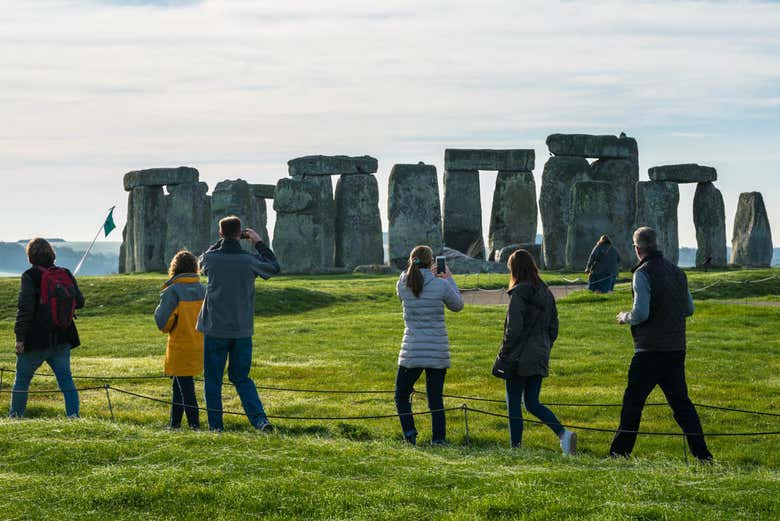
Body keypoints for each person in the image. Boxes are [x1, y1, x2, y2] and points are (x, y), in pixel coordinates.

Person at [612, 227, 713, 462]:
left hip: (649, 350)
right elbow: (689, 309)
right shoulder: (678, 273)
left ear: (638, 248)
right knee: (682, 406)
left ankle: (619, 454)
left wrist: (624, 317)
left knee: (633, 404)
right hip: (676, 348)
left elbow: (641, 313)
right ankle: (703, 454)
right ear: (657, 245)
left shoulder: (642, 273)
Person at [197, 216, 280, 432]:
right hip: (242, 329)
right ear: (240, 234)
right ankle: (260, 420)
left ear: (221, 234)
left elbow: (200, 261)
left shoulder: (212, 259)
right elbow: (273, 267)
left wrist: (220, 241)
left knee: (213, 380)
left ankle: (216, 426)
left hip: (215, 328)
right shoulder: (249, 260)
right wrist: (258, 242)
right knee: (241, 378)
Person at [497, 249, 577, 454]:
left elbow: (513, 329)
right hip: (540, 352)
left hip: (519, 355)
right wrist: (545, 346)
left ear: (514, 269)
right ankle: (563, 434)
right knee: (532, 402)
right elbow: (554, 327)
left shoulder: (519, 293)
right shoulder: (546, 292)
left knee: (513, 403)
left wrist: (504, 353)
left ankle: (516, 447)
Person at [394, 246, 463, 445]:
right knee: (435, 398)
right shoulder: (440, 285)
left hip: (412, 349)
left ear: (412, 260)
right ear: (431, 261)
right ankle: (439, 439)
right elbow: (458, 305)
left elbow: (402, 293)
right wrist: (447, 277)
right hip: (437, 350)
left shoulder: (403, 282)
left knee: (401, 395)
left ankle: (409, 434)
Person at [10, 238, 84, 418]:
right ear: (51, 254)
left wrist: (20, 338)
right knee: (66, 381)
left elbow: (25, 310)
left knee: (22, 380)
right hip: (62, 339)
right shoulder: (65, 273)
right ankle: (73, 417)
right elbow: (80, 302)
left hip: (35, 341)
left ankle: (16, 417)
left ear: (30, 256)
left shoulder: (29, 276)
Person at [154, 250, 206, 429]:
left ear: (174, 268)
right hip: (201, 345)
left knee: (186, 389)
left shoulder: (173, 291)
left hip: (181, 346)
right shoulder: (204, 290)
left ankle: (194, 426)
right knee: (179, 386)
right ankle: (174, 424)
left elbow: (163, 323)